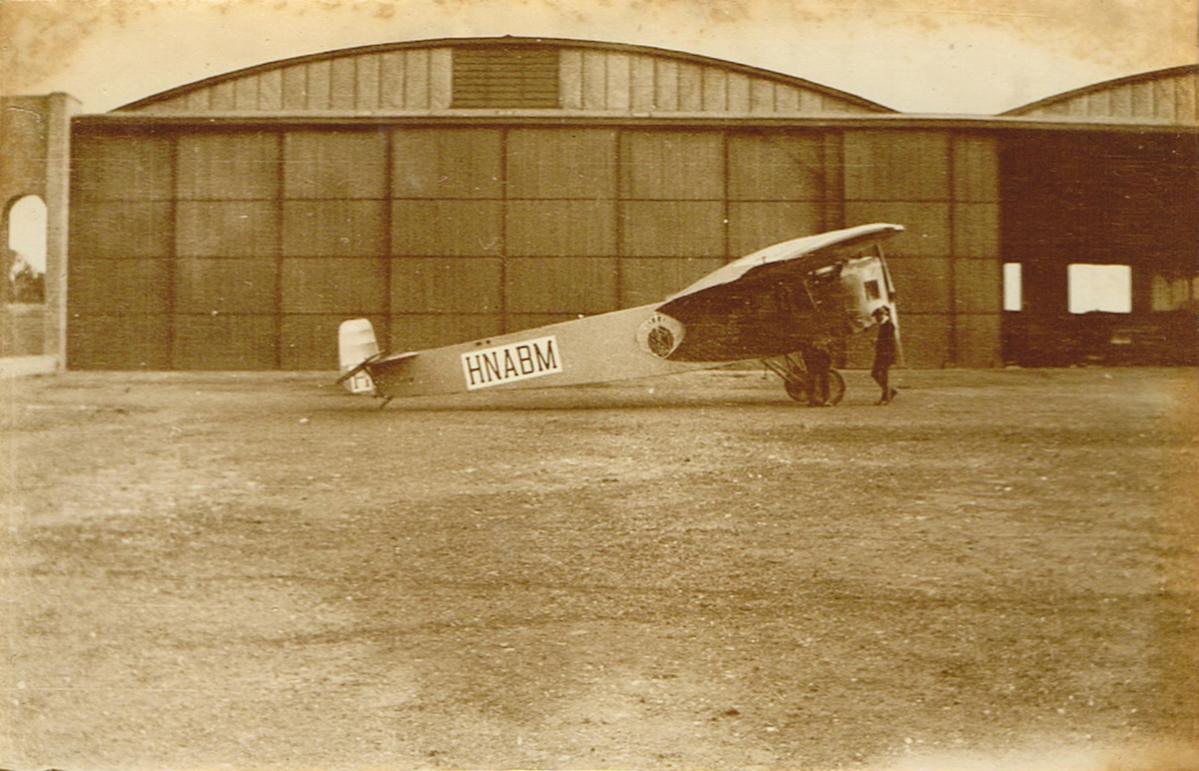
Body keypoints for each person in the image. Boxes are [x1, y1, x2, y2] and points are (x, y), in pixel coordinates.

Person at [871, 306, 898, 405]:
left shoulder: (888, 325)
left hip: (885, 354)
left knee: (882, 375)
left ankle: (885, 397)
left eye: (877, 316)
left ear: (881, 315)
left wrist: (877, 341)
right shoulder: (885, 325)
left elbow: (888, 341)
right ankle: (889, 393)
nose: (876, 319)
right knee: (878, 374)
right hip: (882, 354)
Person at [801, 336, 833, 406]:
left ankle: (825, 400)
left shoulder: (821, 348)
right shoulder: (808, 348)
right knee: (812, 383)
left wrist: (826, 366)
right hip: (814, 366)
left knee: (823, 382)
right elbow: (805, 357)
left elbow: (828, 357)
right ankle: (812, 400)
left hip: (821, 366)